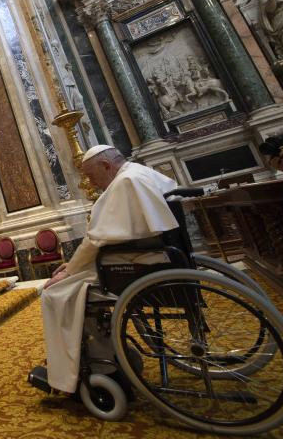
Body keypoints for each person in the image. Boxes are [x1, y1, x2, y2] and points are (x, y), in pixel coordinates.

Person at [32, 145, 178, 394]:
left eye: (91, 176)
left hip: (130, 265)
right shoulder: (140, 173)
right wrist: (76, 265)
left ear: (106, 166)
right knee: (71, 285)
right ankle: (107, 353)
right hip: (148, 258)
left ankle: (94, 367)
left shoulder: (124, 184)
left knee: (54, 293)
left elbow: (96, 240)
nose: (90, 182)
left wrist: (70, 271)